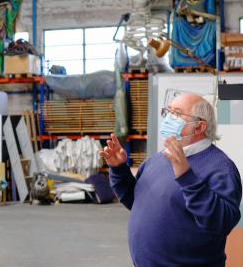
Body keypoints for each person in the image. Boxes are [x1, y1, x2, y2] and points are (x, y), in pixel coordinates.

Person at [101, 93, 242, 266]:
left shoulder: (221, 168)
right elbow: (135, 201)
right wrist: (119, 169)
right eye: (168, 112)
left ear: (199, 127)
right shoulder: (157, 160)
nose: (169, 118)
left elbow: (222, 223)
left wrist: (186, 176)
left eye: (177, 113)